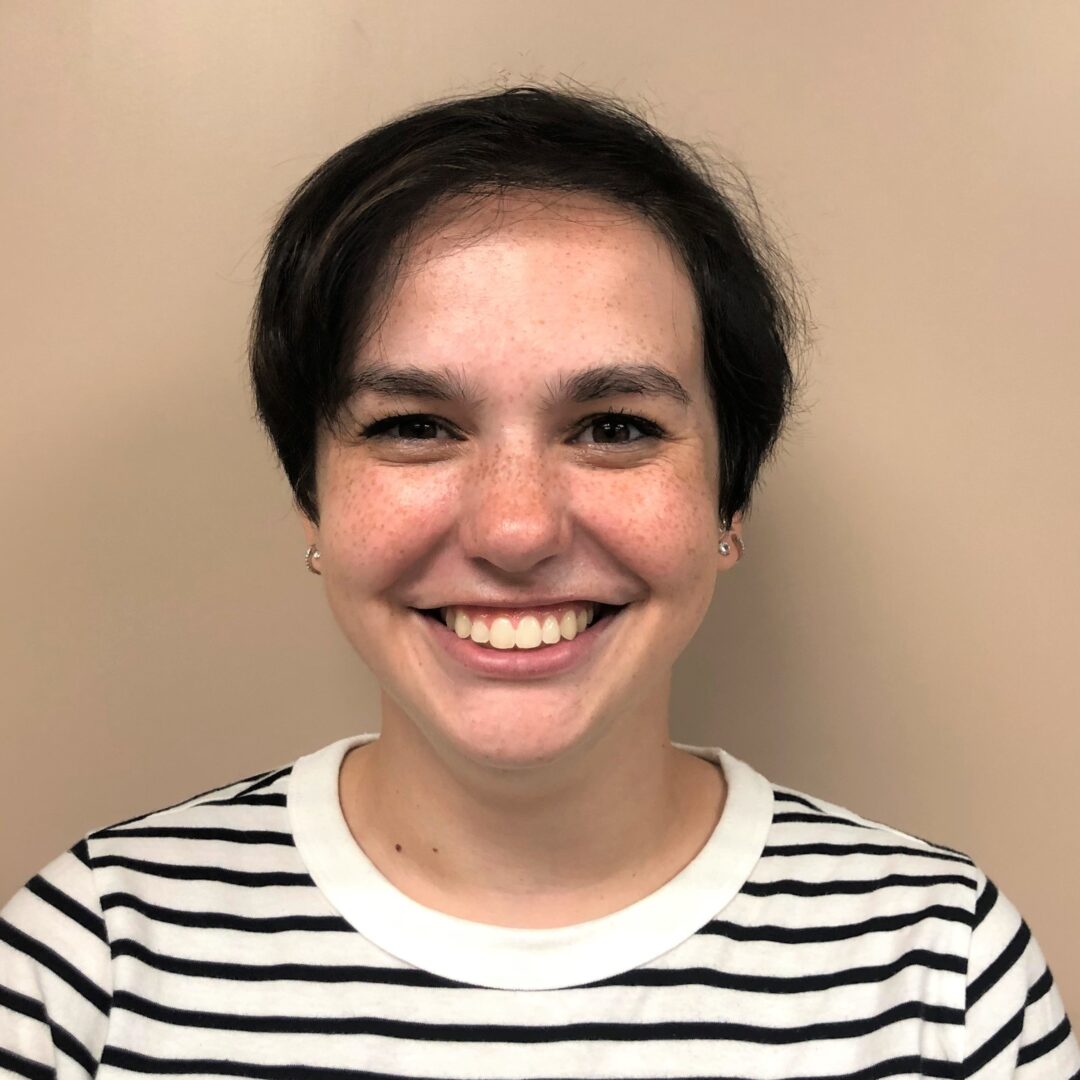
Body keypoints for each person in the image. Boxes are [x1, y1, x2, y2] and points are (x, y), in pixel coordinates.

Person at [2, 85, 1077, 1080]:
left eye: (615, 428)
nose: (516, 529)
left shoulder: (941, 973)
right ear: (312, 500)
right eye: (415, 427)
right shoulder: (92, 962)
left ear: (729, 506)